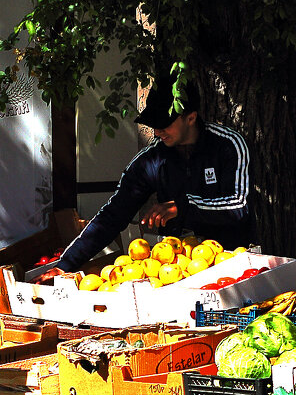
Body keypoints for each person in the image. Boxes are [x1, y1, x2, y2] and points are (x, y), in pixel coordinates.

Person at [43, 76, 256, 278]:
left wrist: (183, 208)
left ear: (191, 117)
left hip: (231, 267)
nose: (157, 132)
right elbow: (113, 214)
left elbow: (240, 207)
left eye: (164, 124)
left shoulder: (228, 145)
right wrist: (65, 265)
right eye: (154, 124)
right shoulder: (151, 158)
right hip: (175, 272)